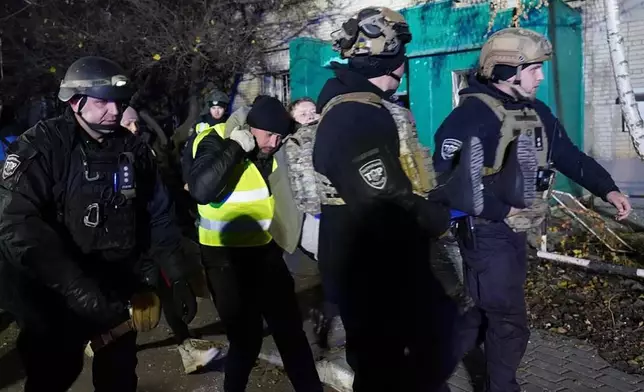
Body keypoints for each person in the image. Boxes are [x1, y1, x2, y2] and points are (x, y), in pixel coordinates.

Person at [433, 27, 632, 392]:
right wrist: (498, 211)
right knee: (509, 320)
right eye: (534, 68)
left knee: (485, 312)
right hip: (485, 232)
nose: (541, 76)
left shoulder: (534, 109)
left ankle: (430, 368)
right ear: (507, 70)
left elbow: (567, 154)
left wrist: (608, 188)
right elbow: (447, 179)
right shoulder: (472, 115)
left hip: (513, 231)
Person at [312, 7, 490, 391]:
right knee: (386, 372)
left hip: (372, 267)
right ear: (392, 59)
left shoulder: (357, 106)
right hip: (373, 274)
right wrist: (439, 216)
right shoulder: (354, 115)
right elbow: (386, 198)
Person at [0, 56, 199, 392]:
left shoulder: (133, 149)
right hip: (56, 295)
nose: (114, 111)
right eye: (103, 101)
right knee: (53, 376)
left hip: (117, 291)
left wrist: (177, 275)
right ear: (75, 101)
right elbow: (18, 224)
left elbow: (158, 215)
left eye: (119, 103)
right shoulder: (44, 145)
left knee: (119, 380)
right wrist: (76, 287)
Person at [184, 95, 322, 392]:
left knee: (290, 333)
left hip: (265, 253)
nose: (273, 142)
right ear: (251, 128)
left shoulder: (272, 149)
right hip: (224, 259)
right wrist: (236, 147)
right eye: (269, 134)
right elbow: (201, 189)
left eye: (279, 137)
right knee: (246, 340)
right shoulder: (214, 139)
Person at [120, 105, 222, 374]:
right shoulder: (111, 158)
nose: (135, 127)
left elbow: (160, 197)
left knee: (165, 292)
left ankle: (186, 346)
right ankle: (101, 344)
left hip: (153, 238)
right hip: (123, 248)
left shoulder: (146, 152)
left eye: (135, 123)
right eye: (128, 123)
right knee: (130, 306)